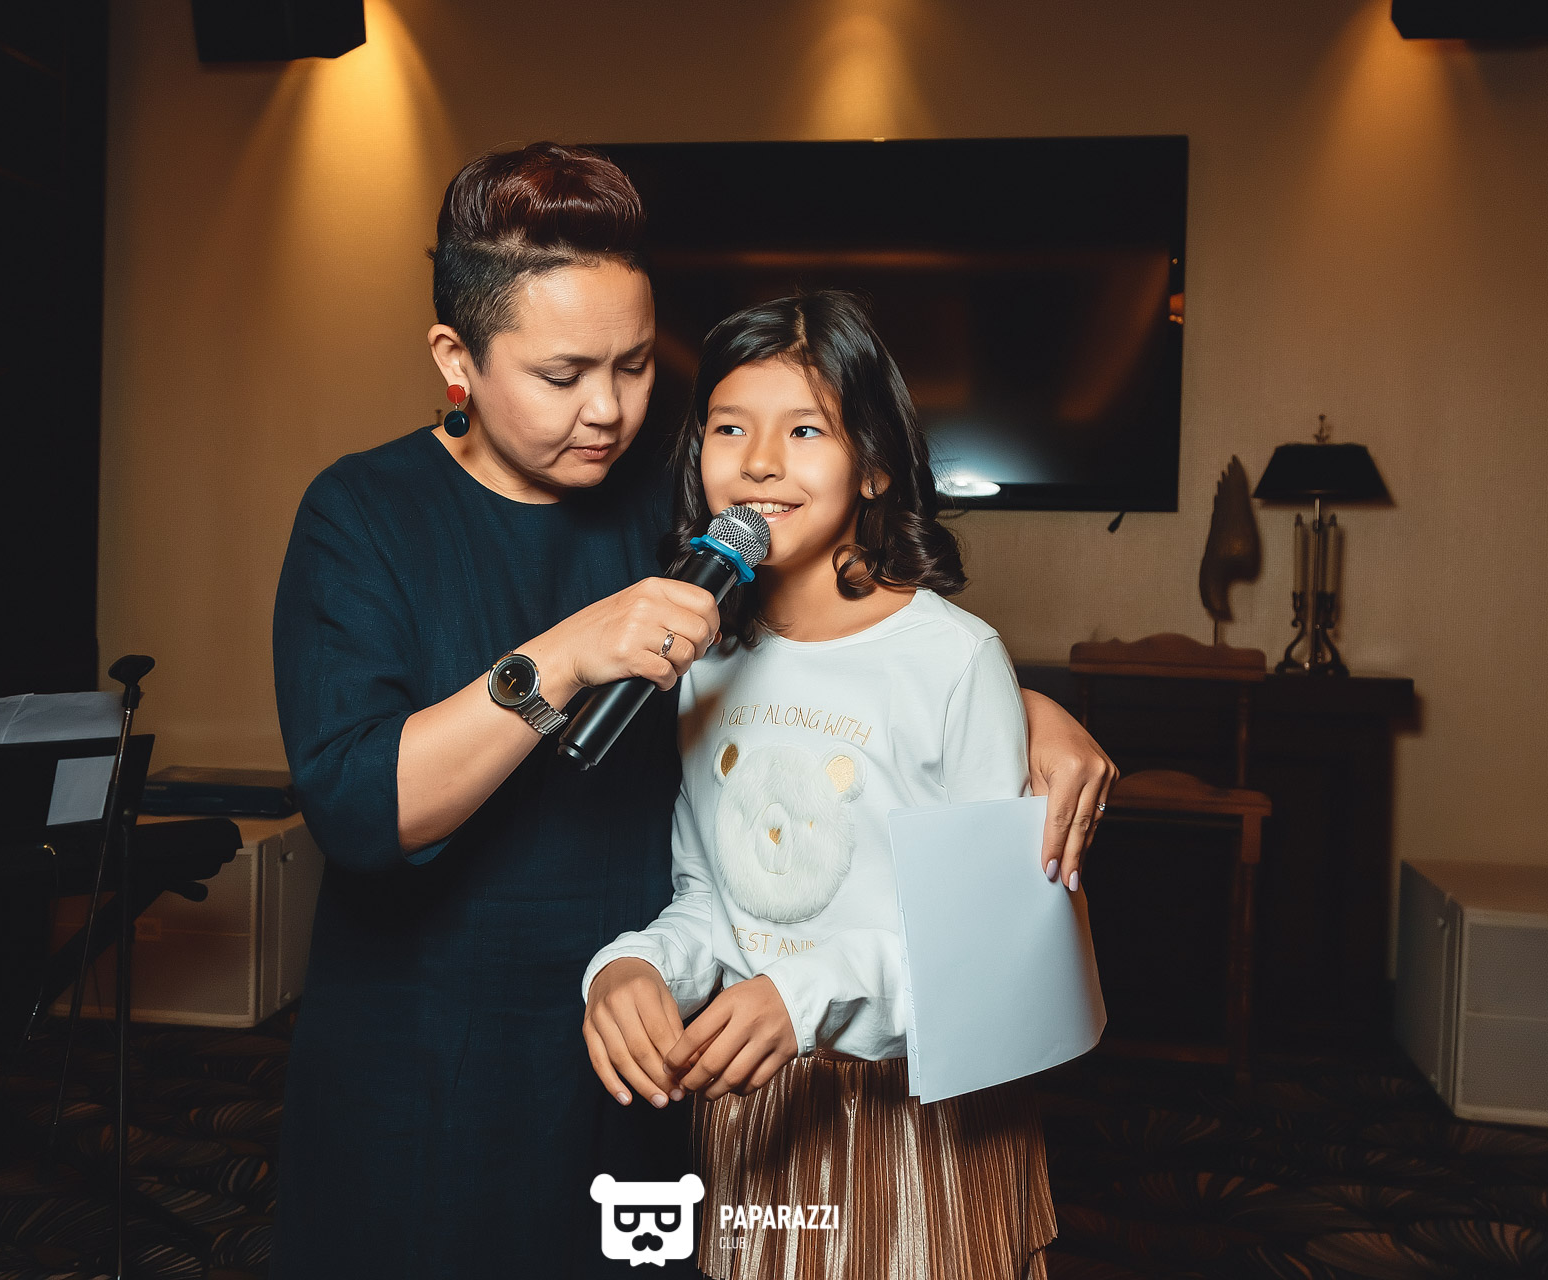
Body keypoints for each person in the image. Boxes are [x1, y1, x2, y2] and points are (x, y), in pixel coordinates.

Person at [271, 145, 1113, 1278]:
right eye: (563, 374)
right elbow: (362, 808)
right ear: (456, 357)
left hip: (667, 1056)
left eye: (633, 365)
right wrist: (567, 654)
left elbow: (830, 643)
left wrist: (1023, 707)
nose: (608, 410)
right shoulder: (360, 514)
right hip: (431, 1053)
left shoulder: (672, 500)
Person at [583, 292, 1062, 1279]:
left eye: (804, 430)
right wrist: (636, 967)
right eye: (729, 428)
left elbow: (986, 963)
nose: (760, 461)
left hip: (919, 1127)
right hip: (757, 1118)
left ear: (874, 463)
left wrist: (805, 996)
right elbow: (718, 896)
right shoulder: (705, 660)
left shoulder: (955, 660)